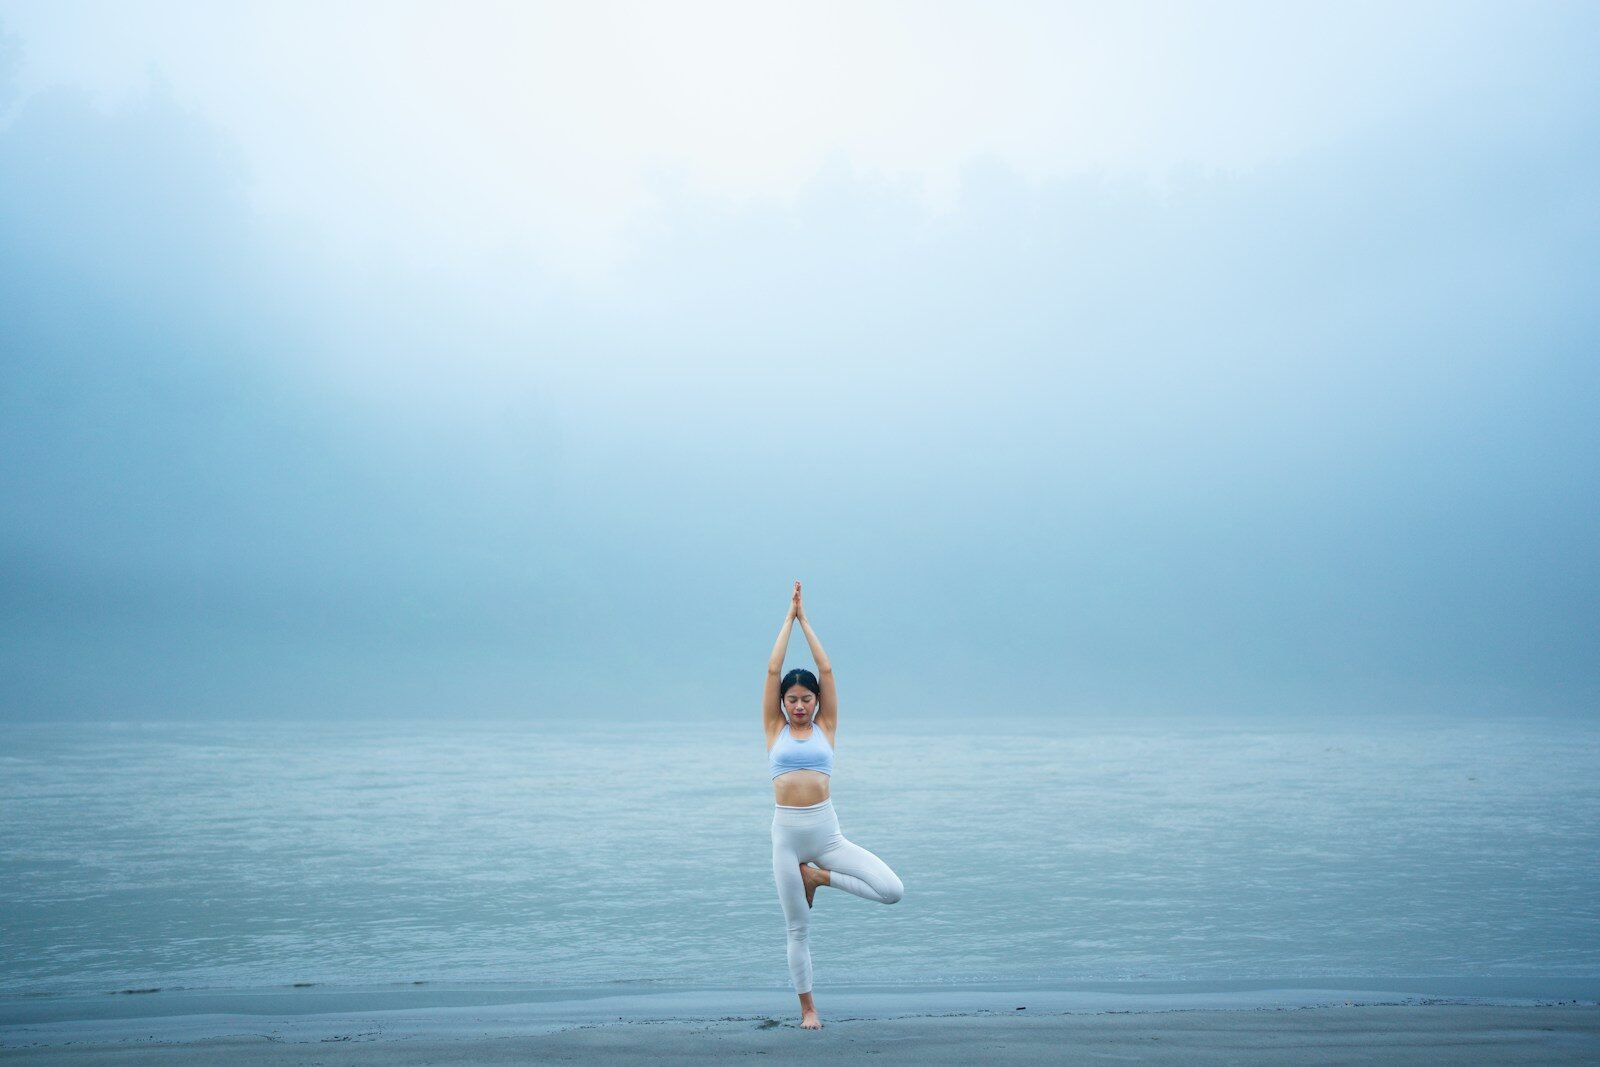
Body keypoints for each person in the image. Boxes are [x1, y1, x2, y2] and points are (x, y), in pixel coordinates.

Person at [765, 580, 903, 1030]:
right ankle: (808, 1008)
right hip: (787, 836)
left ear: (816, 702)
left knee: (892, 891)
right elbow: (772, 670)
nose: (800, 705)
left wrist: (807, 621)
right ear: (783, 704)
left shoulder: (827, 726)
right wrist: (787, 620)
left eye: (806, 699)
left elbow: (827, 669)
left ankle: (820, 877)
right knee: (797, 928)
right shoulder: (774, 729)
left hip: (827, 832)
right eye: (792, 699)